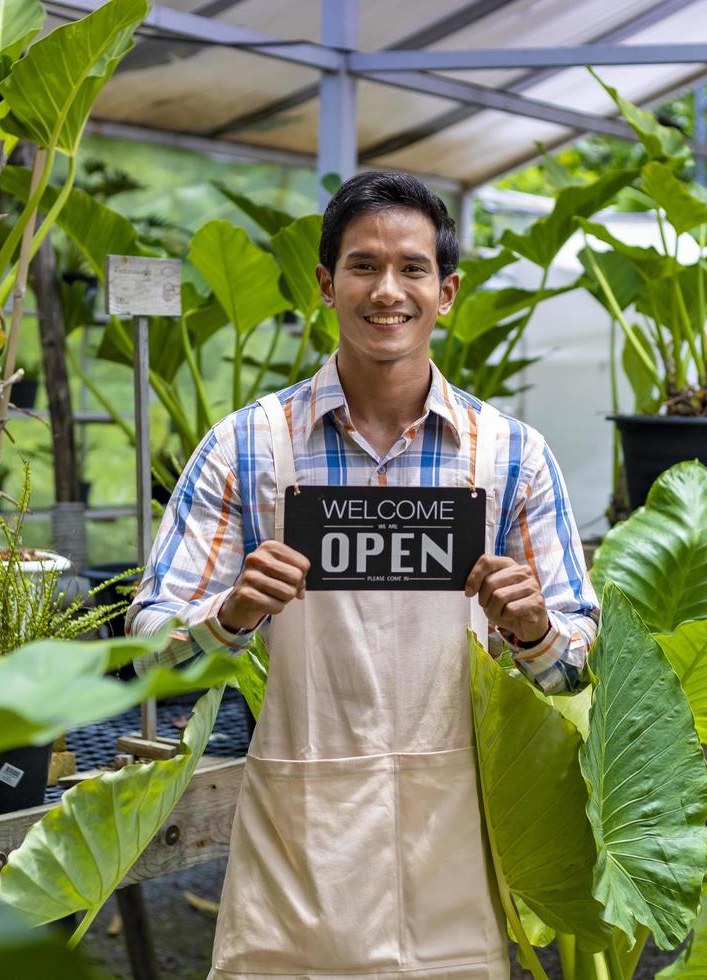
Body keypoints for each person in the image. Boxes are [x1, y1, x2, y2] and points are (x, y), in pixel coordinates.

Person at [126, 170, 600, 979]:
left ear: (446, 292)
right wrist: (231, 613)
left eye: (412, 269)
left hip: (457, 836)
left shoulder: (510, 456)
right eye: (363, 266)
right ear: (325, 283)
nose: (388, 291)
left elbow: (572, 664)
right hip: (299, 841)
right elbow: (148, 644)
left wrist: (534, 629)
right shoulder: (248, 448)